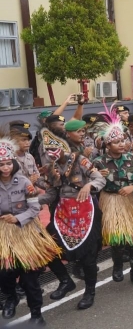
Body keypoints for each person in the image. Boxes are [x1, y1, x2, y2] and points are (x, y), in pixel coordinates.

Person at [38, 128, 106, 310]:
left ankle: (90, 292)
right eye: (47, 150)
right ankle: (66, 280)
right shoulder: (51, 169)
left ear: (63, 147)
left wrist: (89, 185)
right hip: (64, 214)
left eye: (54, 148)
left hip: (87, 213)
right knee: (46, 247)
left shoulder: (80, 160)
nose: (51, 153)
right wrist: (31, 202)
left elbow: (100, 179)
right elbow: (51, 194)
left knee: (88, 257)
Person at [0, 133, 60, 326]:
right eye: (1, 164)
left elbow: (35, 208)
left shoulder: (26, 183)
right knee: (5, 273)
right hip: (4, 235)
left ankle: (36, 313)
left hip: (26, 232)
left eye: (8, 163)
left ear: (13, 163)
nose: (6, 167)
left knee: (30, 277)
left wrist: (17, 218)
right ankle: (11, 298)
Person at [93, 114, 133, 287]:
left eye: (122, 140)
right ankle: (118, 265)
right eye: (116, 142)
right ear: (107, 144)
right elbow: (90, 185)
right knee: (117, 240)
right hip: (111, 202)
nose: (121, 144)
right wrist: (97, 177)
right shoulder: (98, 162)